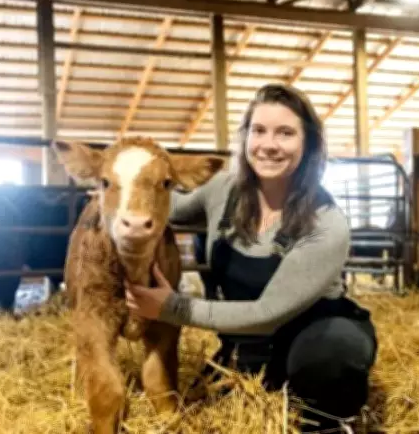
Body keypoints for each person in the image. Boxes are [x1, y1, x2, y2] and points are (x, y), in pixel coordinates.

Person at [125, 84, 378, 432]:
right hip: (247, 344)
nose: (268, 144)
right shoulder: (222, 189)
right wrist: (121, 190)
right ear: (245, 137)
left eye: (285, 133)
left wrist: (172, 307)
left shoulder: (325, 223)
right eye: (258, 131)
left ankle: (331, 423)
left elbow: (266, 314)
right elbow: (166, 207)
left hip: (313, 334)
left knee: (328, 361)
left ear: (309, 144)